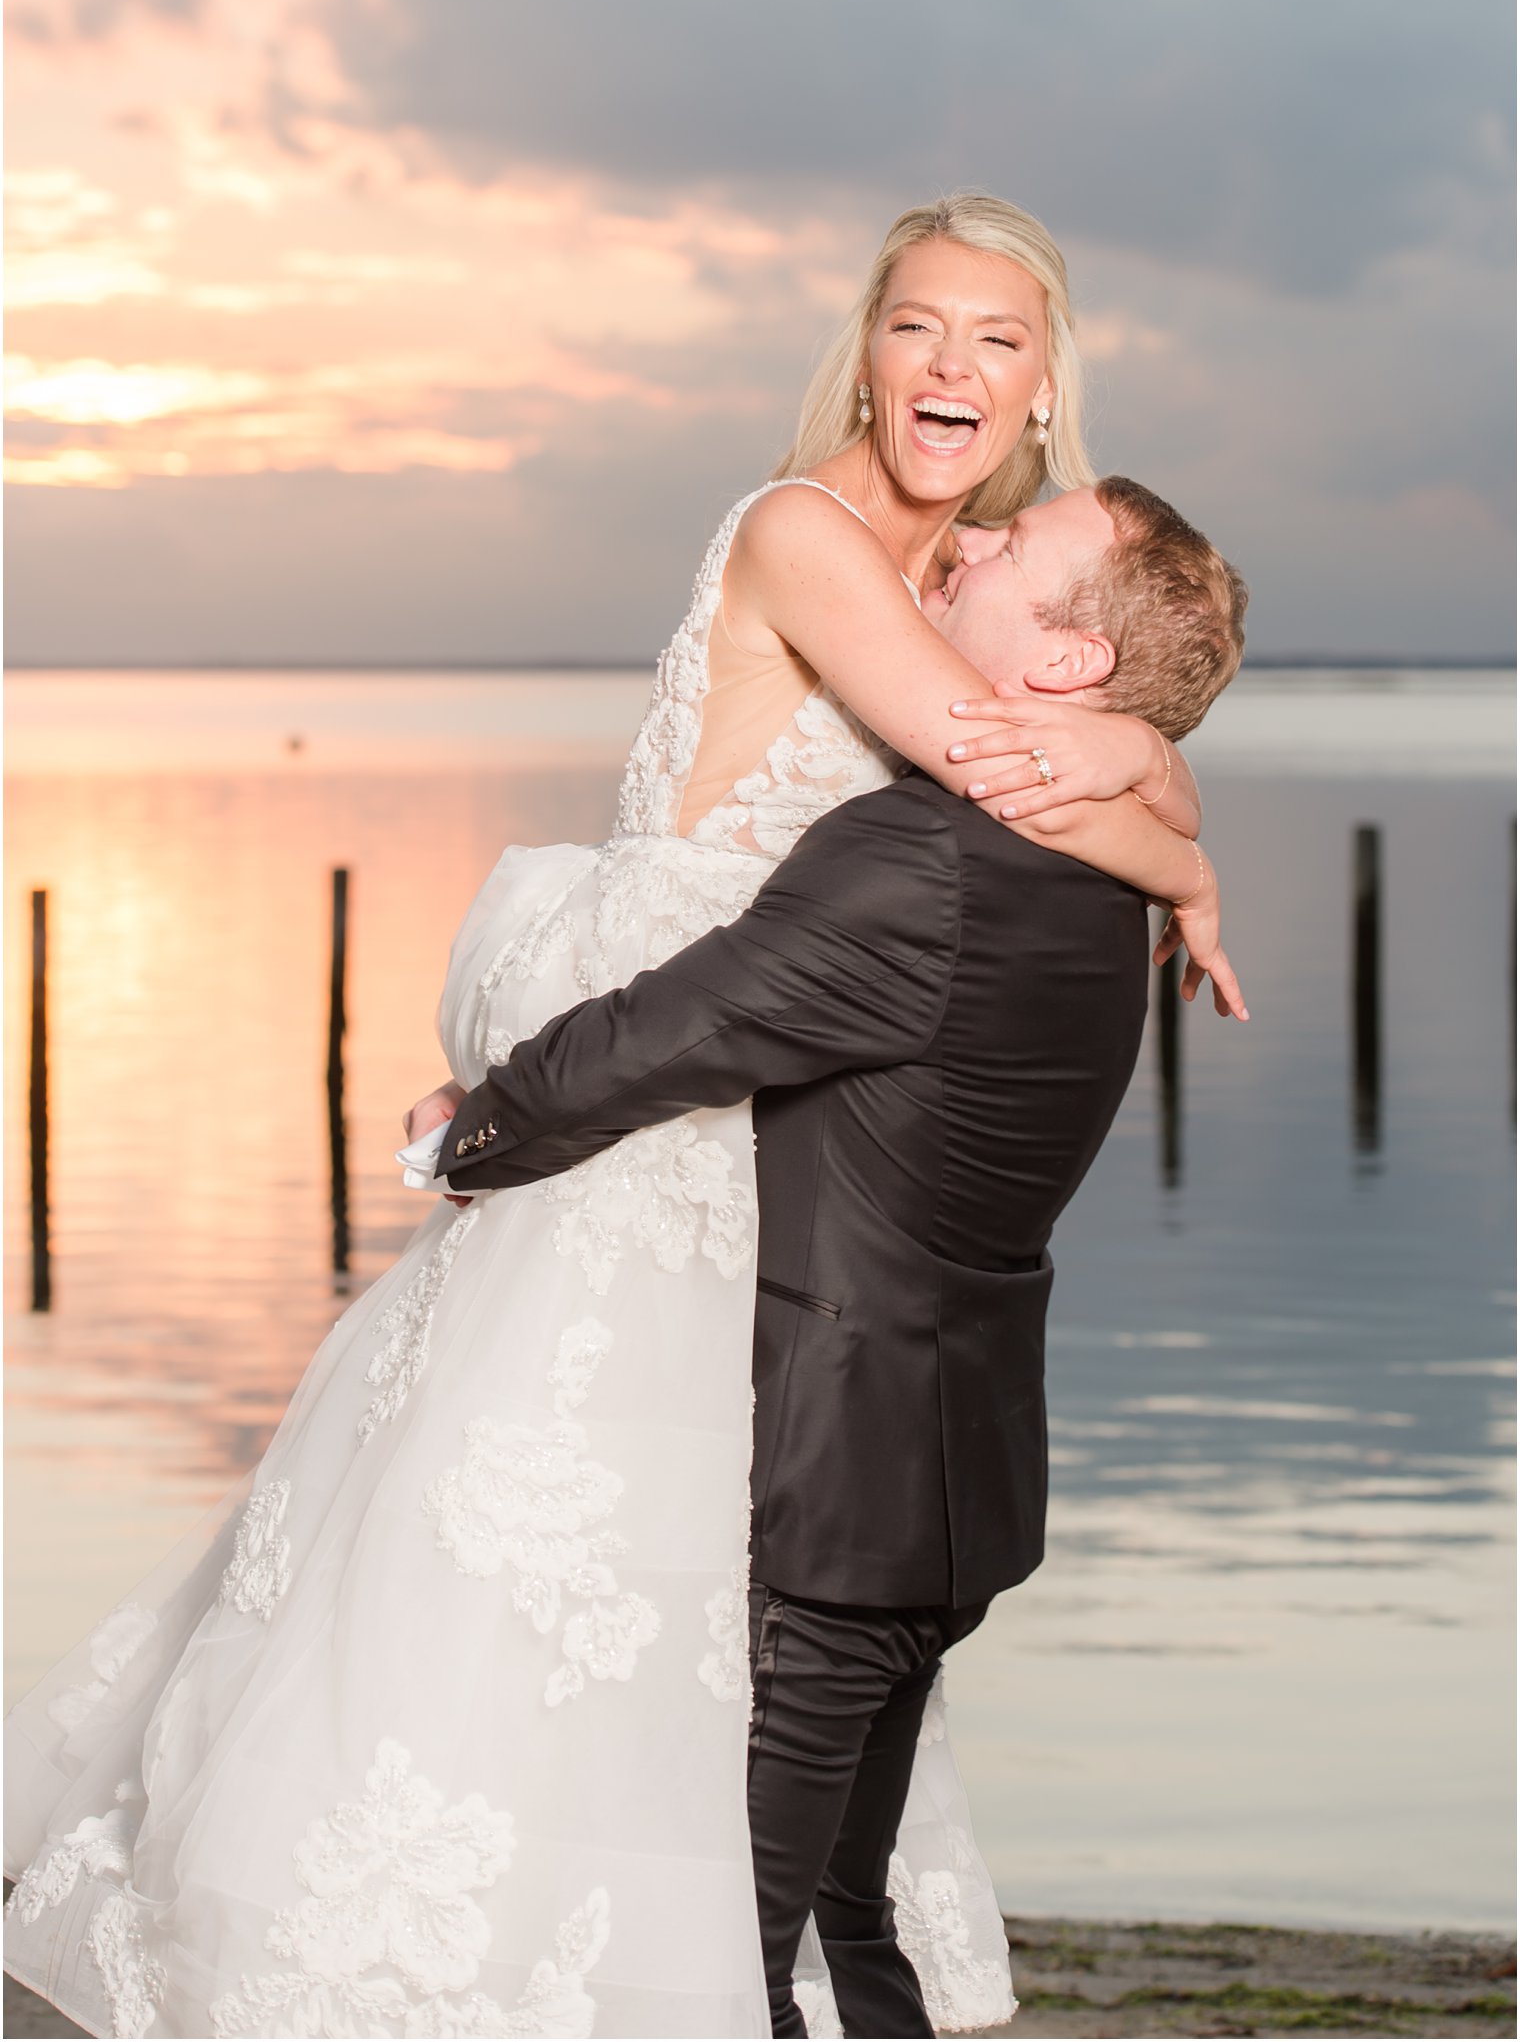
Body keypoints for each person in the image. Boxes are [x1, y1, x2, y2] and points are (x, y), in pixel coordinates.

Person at [4, 194, 1239, 2042]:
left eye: (996, 339)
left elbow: (1036, 759)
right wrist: (1165, 813)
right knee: (537, 1521)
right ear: (868, 345)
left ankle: (667, 1956)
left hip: (759, 1087)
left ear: (1048, 385)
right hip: (672, 1055)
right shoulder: (805, 534)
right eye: (919, 327)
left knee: (696, 1563)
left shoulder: (969, 578)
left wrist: (1150, 780)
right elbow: (1008, 768)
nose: (951, 368)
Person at [429, 474, 1248, 2038]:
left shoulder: (917, 857)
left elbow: (671, 1035)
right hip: (962, 1466)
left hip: (835, 1472)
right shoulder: (1108, 880)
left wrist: (471, 1136)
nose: (979, 537)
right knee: (846, 1922)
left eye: (1023, 549)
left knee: (736, 1939)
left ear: (1067, 666)